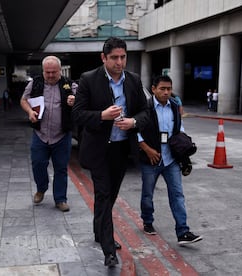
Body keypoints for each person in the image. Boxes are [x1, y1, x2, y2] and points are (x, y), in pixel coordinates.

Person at [72, 37, 148, 267]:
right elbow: (77, 114)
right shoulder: (88, 79)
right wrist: (102, 116)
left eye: (123, 57)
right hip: (98, 150)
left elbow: (146, 112)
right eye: (114, 57)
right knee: (104, 195)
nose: (119, 62)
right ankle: (108, 250)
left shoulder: (133, 80)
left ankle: (99, 232)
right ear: (103, 58)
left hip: (121, 149)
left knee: (109, 196)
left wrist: (133, 122)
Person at [137, 74, 202, 246]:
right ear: (153, 89)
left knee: (177, 195)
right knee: (147, 194)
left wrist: (183, 146)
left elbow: (178, 127)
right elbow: (136, 130)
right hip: (150, 159)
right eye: (162, 89)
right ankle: (147, 221)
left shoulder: (174, 106)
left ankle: (183, 231)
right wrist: (147, 149)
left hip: (171, 159)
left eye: (169, 89)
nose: (166, 92)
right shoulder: (145, 107)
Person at [20, 56, 76, 212]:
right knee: (38, 163)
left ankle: (60, 199)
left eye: (54, 72)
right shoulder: (35, 83)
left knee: (61, 168)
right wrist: (30, 111)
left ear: (60, 70)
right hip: (41, 134)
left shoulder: (69, 84)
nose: (51, 75)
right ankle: (41, 187)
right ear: (43, 71)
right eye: (47, 72)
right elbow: (23, 100)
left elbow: (82, 100)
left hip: (61, 135)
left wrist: (74, 100)